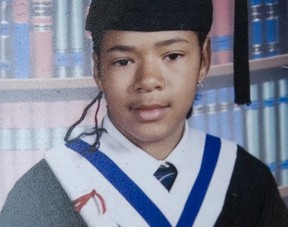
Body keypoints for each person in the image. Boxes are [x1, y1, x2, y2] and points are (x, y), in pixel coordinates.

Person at [1, 0, 288, 226]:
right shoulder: (45, 190)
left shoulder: (247, 179)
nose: (148, 80)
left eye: (172, 56)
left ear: (205, 60)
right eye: (123, 61)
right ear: (97, 70)